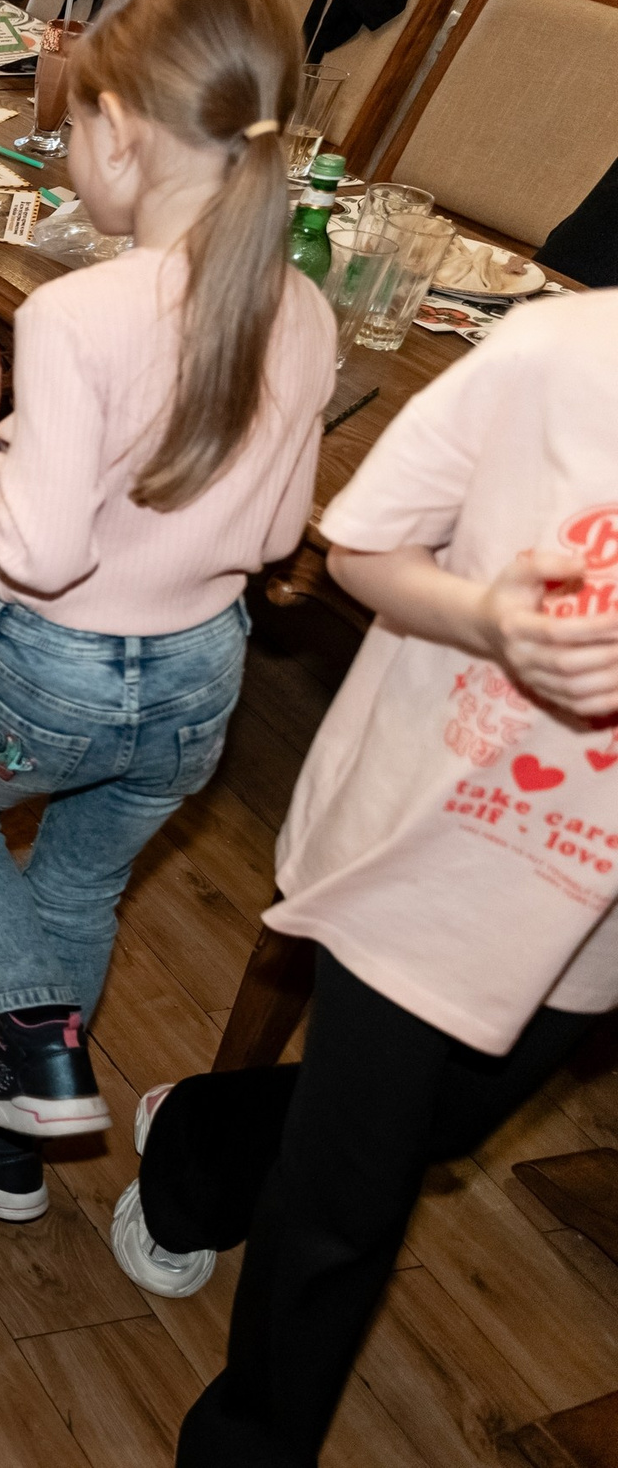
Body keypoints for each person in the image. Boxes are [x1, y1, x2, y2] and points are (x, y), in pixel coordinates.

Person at [102, 288, 618, 1466]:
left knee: (424, 1134)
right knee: (349, 1213)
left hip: (594, 907)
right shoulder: (555, 352)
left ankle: (199, 1136)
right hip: (432, 842)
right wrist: (489, 617)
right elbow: (364, 547)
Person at [0, 0, 340, 1222]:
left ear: (120, 131)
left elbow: (36, 550)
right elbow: (280, 527)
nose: (63, 141)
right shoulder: (299, 309)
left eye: (70, 120)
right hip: (203, 672)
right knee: (78, 883)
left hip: (59, 665)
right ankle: (7, 1126)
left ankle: (37, 1046)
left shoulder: (79, 311)